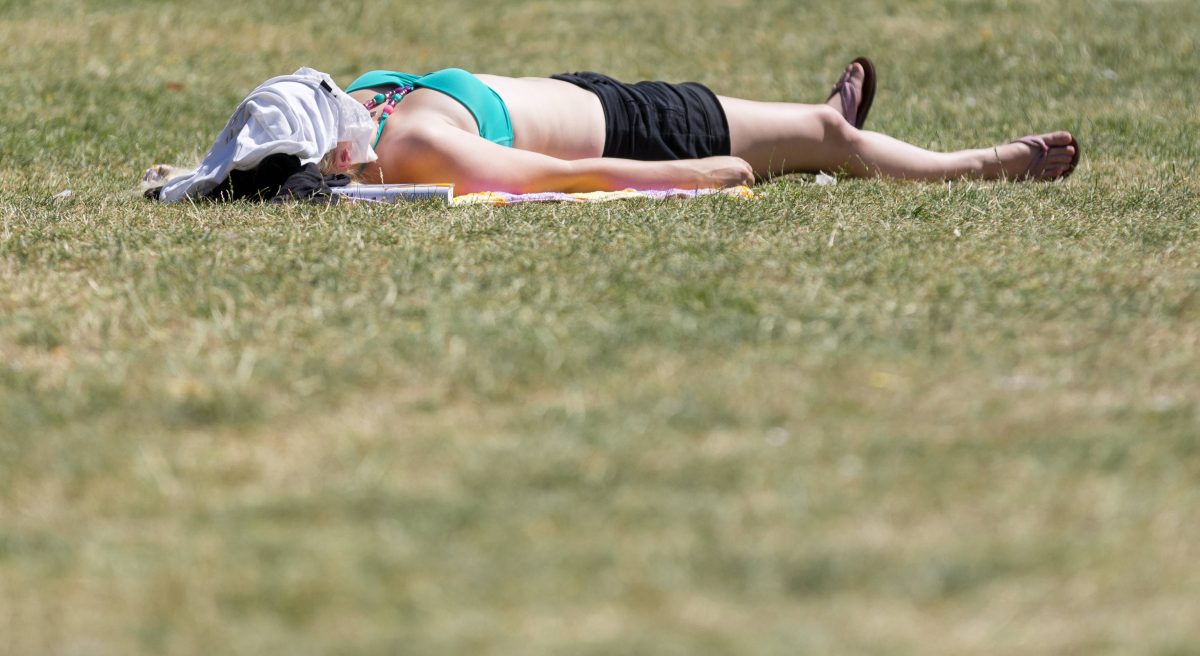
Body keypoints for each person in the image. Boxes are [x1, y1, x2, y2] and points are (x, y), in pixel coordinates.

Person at [328, 58, 1079, 194]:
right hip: (639, 133)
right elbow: (558, 179)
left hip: (599, 96)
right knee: (830, 140)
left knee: (800, 136)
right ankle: (983, 165)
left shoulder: (362, 101)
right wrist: (688, 176)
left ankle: (806, 134)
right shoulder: (407, 149)